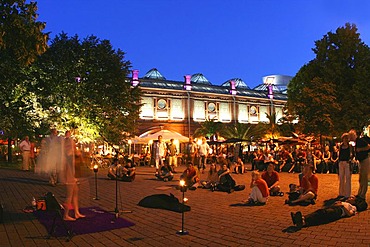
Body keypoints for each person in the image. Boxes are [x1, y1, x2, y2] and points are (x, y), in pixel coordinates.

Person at [290, 196, 368, 229]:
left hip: (339, 212)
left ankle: (303, 221)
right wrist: (336, 204)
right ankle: (303, 219)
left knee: (322, 214)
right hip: (334, 209)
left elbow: (349, 214)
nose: (349, 198)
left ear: (354, 201)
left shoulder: (353, 207)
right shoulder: (345, 202)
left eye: (352, 198)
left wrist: (342, 205)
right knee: (320, 213)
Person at [62, 130, 85, 221]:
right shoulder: (67, 155)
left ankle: (76, 212)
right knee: (69, 195)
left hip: (72, 175)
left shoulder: (71, 153)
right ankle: (65, 215)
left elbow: (78, 155)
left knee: (75, 192)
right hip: (69, 176)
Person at [349, 129, 370, 200]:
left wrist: (360, 150)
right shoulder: (356, 142)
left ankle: (362, 195)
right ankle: (360, 193)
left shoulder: (360, 141)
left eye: (351, 136)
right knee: (361, 178)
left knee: (364, 178)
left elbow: (368, 146)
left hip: (365, 160)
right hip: (361, 161)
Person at [338, 133, 352, 198]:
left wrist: (349, 160)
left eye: (346, 138)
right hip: (341, 162)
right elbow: (340, 154)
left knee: (348, 178)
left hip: (347, 163)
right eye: (344, 138)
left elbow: (352, 154)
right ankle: (341, 193)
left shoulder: (350, 146)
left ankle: (347, 194)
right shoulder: (341, 146)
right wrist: (339, 161)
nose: (345, 139)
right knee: (341, 178)